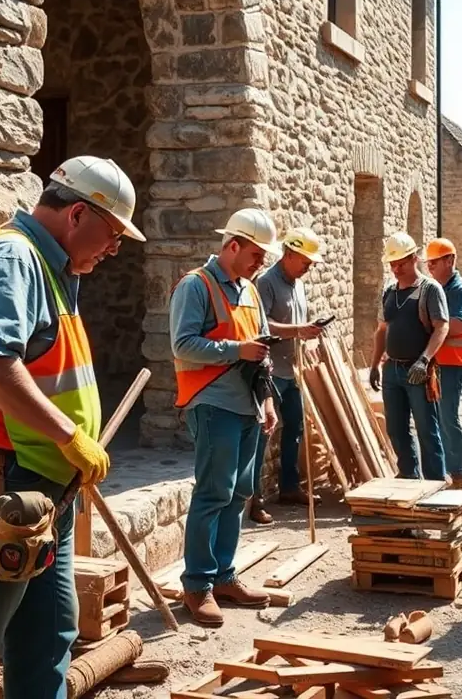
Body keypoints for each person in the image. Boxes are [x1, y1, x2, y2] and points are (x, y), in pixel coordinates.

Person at [0, 155, 144, 699]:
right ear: (76, 215)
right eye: (113, 232)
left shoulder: (53, 267)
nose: (115, 247)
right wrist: (69, 437)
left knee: (48, 637)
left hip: (41, 490)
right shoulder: (11, 257)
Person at [170, 208, 280, 627]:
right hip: (212, 404)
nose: (260, 262)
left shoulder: (250, 291)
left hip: (248, 407)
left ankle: (223, 576)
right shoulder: (194, 286)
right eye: (256, 253)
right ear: (232, 245)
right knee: (214, 493)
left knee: (238, 495)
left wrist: (267, 401)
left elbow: (262, 354)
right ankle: (196, 585)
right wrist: (237, 350)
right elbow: (183, 345)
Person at [250, 228, 326, 525]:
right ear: (290, 254)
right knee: (263, 436)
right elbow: (262, 325)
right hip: (271, 372)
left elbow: (297, 321)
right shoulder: (267, 282)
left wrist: (309, 335)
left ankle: (290, 487)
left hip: (293, 371)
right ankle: (255, 501)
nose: (309, 267)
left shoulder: (297, 283)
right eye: (306, 261)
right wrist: (298, 330)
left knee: (295, 429)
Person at [369, 232, 449, 481]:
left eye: (401, 263)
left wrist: (424, 360)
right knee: (396, 428)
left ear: (414, 258)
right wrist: (374, 365)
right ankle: (408, 477)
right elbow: (382, 330)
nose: (396, 268)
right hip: (392, 369)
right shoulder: (389, 292)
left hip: (419, 370)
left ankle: (435, 483)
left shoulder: (429, 290)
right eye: (392, 264)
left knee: (427, 430)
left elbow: (441, 327)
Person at [424, 238, 462, 490]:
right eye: (428, 263)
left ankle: (457, 475)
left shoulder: (459, 290)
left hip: (453, 363)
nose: (430, 267)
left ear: (450, 260)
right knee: (436, 418)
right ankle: (444, 471)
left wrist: (429, 325)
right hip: (438, 362)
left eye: (434, 262)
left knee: (447, 417)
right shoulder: (437, 287)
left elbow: (458, 325)